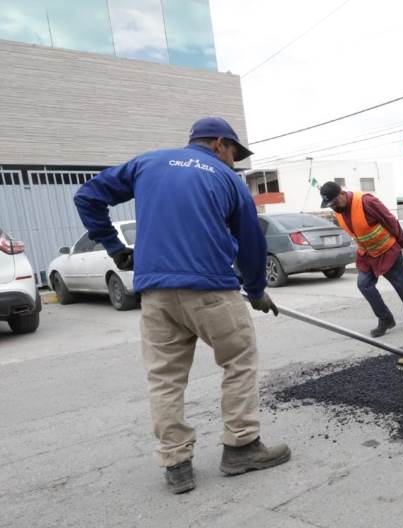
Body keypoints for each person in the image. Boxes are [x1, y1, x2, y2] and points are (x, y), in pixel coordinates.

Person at [74, 116, 290, 495]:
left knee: (165, 378)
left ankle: (176, 464)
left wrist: (115, 248)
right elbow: (252, 240)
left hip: (156, 293)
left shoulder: (147, 163)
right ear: (220, 144)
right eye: (234, 153)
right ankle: (241, 447)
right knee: (238, 362)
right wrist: (256, 290)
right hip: (211, 291)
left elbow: (87, 196)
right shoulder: (226, 180)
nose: (234, 161)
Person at [320, 181, 403, 337]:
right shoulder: (339, 212)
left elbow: (389, 220)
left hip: (387, 250)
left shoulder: (366, 201)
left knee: (402, 285)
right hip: (367, 254)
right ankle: (385, 319)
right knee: (364, 284)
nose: (333, 207)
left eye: (334, 202)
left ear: (342, 194)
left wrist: (402, 240)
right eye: (330, 205)